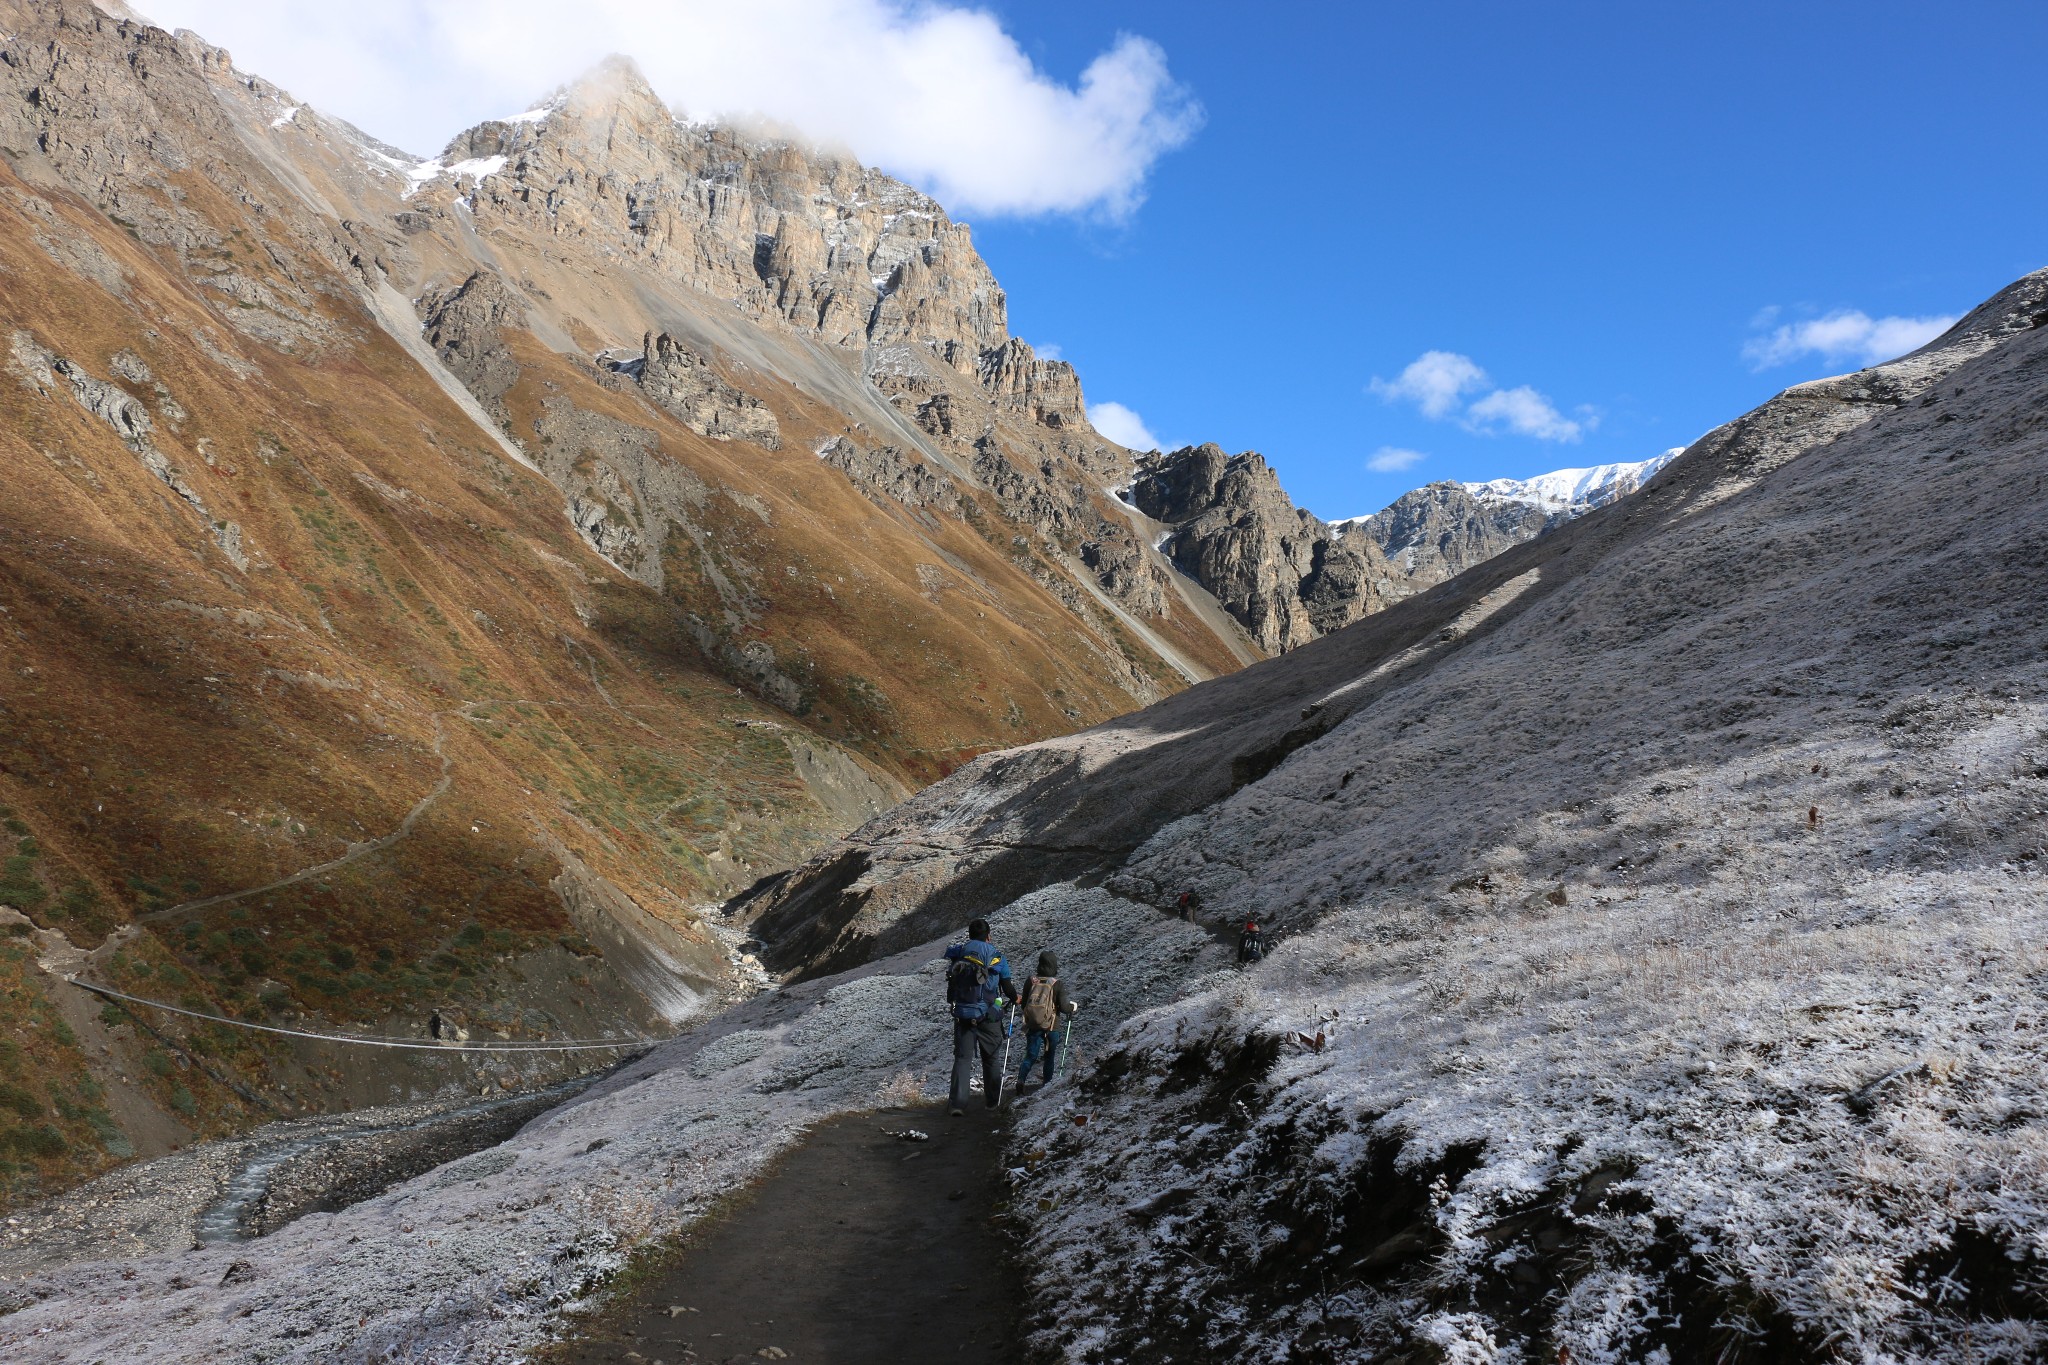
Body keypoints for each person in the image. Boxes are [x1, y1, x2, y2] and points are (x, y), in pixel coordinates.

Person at [944, 918, 1015, 1116]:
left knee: (963, 1059)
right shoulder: (997, 957)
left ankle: (957, 1105)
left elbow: (950, 961)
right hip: (990, 1015)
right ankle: (992, 1102)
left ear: (970, 935)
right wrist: (1015, 998)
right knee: (991, 1059)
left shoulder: (960, 952)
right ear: (988, 936)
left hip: (963, 1014)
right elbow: (1007, 986)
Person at [1015, 949, 1079, 1090]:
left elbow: (1024, 1003)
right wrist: (1072, 1007)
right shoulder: (1057, 983)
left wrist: (1033, 1017)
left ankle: (1021, 1079)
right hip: (1052, 1026)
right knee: (1049, 1057)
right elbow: (1063, 1007)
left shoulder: (1030, 981)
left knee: (1030, 1055)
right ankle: (1047, 1086)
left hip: (1033, 1025)